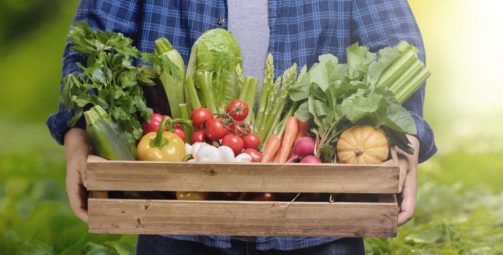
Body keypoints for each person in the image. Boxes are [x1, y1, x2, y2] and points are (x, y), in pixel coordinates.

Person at [46, 0, 437, 254]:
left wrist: (406, 142)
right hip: (180, 218)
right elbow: (93, 43)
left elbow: (397, 45)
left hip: (318, 220)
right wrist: (79, 133)